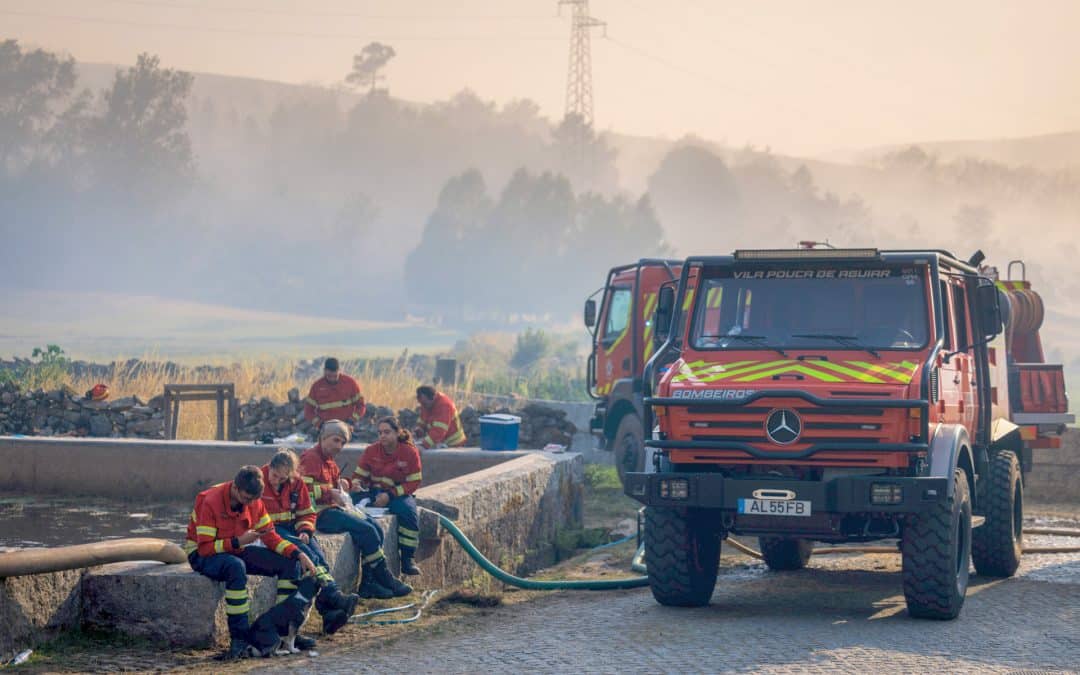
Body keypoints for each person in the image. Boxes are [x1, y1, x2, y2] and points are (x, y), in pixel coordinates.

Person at [184, 465, 317, 660]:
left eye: (254, 500)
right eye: (247, 498)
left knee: (289, 563)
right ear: (235, 488)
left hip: (236, 546)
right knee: (235, 567)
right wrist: (238, 541)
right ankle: (240, 639)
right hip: (203, 554)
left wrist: (297, 554)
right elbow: (205, 548)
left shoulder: (254, 501)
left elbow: (270, 537)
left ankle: (282, 631)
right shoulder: (210, 501)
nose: (250, 504)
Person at [298, 420, 412, 599]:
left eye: (343, 443)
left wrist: (348, 484)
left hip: (333, 508)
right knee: (366, 530)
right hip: (319, 514)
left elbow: (332, 484)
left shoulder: (329, 461)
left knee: (374, 526)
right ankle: (384, 577)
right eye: (336, 440)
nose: (340, 446)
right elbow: (303, 490)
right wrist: (331, 492)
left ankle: (368, 583)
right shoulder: (311, 458)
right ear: (323, 438)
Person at [260, 449, 359, 636]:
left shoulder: (296, 483)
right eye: (274, 475)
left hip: (291, 528)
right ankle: (333, 599)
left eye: (282, 479)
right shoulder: (259, 480)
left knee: (317, 553)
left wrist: (305, 529)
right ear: (270, 467)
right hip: (268, 530)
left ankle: (330, 609)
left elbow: (306, 512)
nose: (276, 481)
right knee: (309, 555)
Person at [350, 417, 423, 576]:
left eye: (387, 432)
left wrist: (390, 495)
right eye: (380, 432)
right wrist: (356, 484)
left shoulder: (409, 452)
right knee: (349, 504)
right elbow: (358, 475)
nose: (382, 436)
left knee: (408, 513)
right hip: (372, 492)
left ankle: (408, 559)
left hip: (399, 494)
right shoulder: (371, 450)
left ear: (398, 433)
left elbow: (414, 482)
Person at [303, 357, 365, 433]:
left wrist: (351, 421)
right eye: (329, 376)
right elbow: (308, 411)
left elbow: (361, 406)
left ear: (339, 371)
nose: (332, 379)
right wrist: (319, 424)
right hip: (325, 429)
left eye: (335, 376)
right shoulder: (317, 386)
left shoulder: (350, 383)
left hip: (346, 428)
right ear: (324, 371)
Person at [414, 385, 466, 449]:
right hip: (441, 442)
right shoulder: (426, 403)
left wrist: (423, 445)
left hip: (454, 444)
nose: (422, 406)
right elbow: (423, 419)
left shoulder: (444, 406)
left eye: (424, 403)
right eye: (421, 403)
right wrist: (419, 429)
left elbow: (439, 431)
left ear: (432, 398)